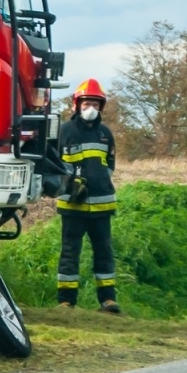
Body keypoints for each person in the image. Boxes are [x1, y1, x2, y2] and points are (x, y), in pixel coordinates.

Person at [55, 77, 120, 314]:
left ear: (101, 107)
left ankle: (108, 300)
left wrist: (96, 181)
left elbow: (109, 166)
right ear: (76, 105)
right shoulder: (64, 131)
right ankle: (66, 301)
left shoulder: (105, 134)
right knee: (70, 251)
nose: (90, 108)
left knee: (104, 251)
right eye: (86, 104)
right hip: (73, 205)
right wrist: (70, 184)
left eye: (95, 104)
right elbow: (55, 165)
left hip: (102, 205)